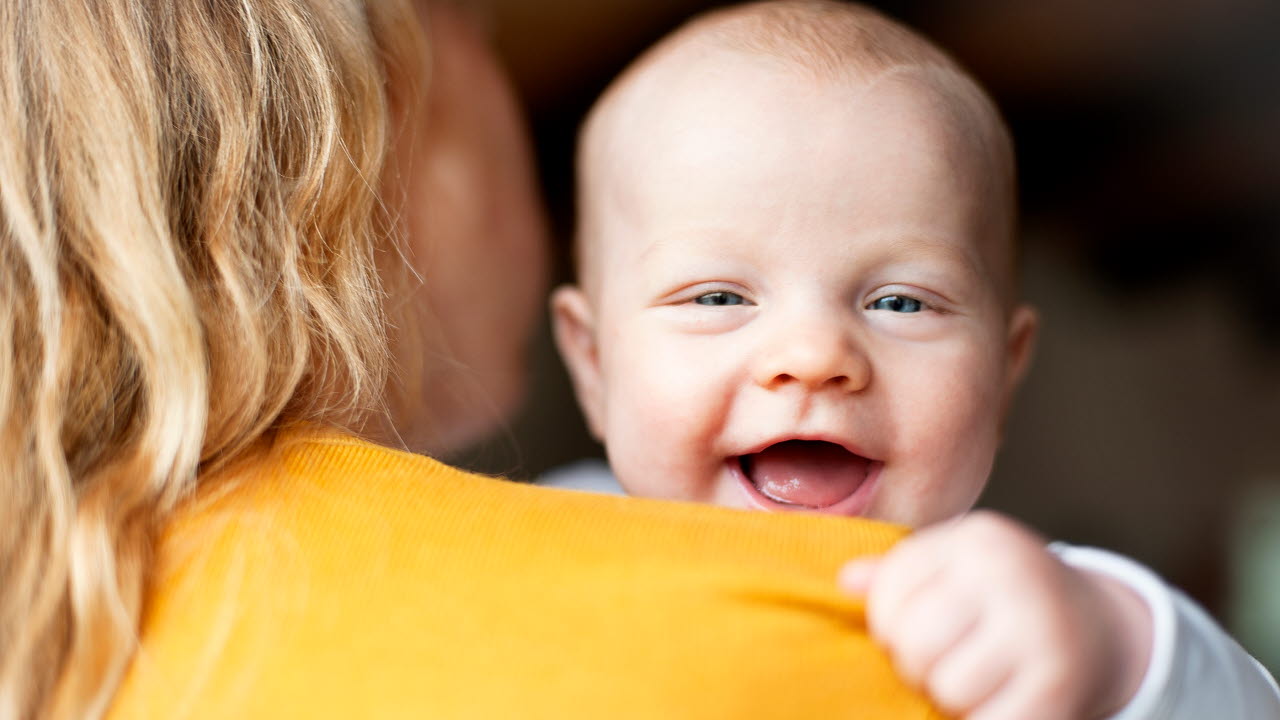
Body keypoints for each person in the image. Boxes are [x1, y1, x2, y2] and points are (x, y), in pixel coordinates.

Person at [1, 1, 961, 719]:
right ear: (365, 123)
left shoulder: (64, 632)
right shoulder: (856, 640)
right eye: (484, 40)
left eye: (901, 303)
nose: (813, 357)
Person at [548, 1, 1280, 717]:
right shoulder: (541, 533)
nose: (814, 355)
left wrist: (1115, 649)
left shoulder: (1004, 605)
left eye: (900, 303)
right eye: (716, 298)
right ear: (593, 364)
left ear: (1003, 374)